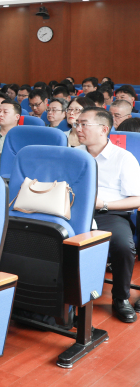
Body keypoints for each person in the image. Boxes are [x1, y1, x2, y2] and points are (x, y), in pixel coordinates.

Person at [73, 107, 140, 322]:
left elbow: (137, 199)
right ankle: (63, 298)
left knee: (123, 246)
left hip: (108, 212)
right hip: (73, 211)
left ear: (104, 129)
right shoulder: (74, 154)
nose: (78, 128)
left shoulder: (123, 158)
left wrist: (104, 204)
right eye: (77, 124)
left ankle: (120, 297)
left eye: (84, 124)